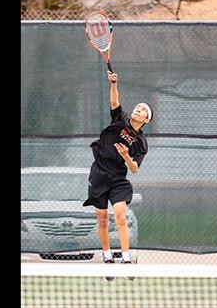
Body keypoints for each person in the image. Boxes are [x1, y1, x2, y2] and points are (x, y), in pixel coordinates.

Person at [83, 70, 153, 281]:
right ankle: (107, 258)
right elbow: (115, 101)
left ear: (146, 120)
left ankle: (126, 260)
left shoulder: (141, 143)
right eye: (138, 107)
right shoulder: (120, 119)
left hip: (119, 179)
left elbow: (135, 169)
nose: (138, 110)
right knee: (102, 220)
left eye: (142, 110)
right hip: (99, 173)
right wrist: (114, 83)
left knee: (121, 217)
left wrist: (125, 156)